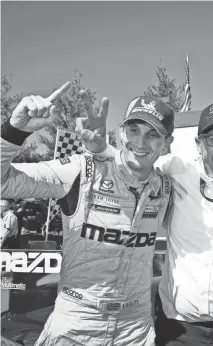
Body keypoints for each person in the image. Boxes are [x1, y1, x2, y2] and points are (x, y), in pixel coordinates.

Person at [80, 100, 213, 345]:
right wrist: (100, 150)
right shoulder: (176, 170)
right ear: (198, 144)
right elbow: (132, 164)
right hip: (178, 331)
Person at [1, 82, 175, 346]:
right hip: (76, 325)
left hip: (135, 330)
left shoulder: (166, 189)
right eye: (133, 129)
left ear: (166, 145)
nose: (140, 141)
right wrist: (13, 132)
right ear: (121, 132)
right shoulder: (81, 170)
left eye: (153, 135)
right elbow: (4, 182)